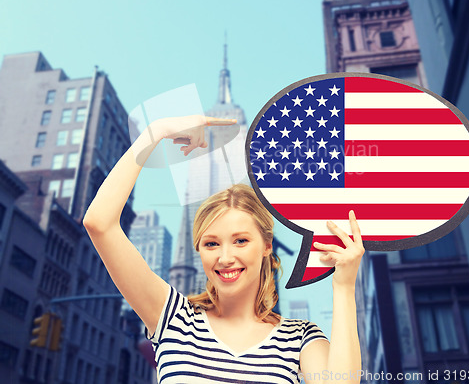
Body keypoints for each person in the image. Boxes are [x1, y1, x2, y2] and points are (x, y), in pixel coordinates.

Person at [83, 115, 365, 384]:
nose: (226, 258)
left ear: (266, 246)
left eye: (241, 240)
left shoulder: (299, 337)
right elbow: (99, 223)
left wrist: (343, 286)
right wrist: (157, 131)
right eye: (211, 244)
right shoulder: (174, 319)